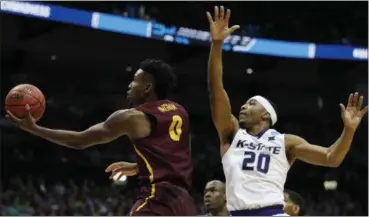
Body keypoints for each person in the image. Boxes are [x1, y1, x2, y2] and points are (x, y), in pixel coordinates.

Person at [206, 5, 368, 216]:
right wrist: (217, 45)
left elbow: (331, 158)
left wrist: (349, 130)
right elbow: (215, 90)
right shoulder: (231, 133)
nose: (243, 106)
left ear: (265, 114)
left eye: (251, 103)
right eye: (244, 103)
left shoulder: (286, 142)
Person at [6, 59, 197, 216]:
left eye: (135, 80)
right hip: (185, 204)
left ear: (147, 88)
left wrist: (35, 129)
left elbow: (80, 140)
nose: (130, 85)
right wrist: (138, 166)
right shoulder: (179, 111)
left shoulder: (131, 117)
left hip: (158, 201)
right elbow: (179, 156)